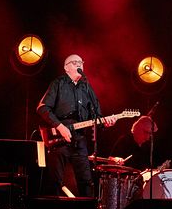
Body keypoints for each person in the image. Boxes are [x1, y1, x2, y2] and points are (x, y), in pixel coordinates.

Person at [36, 54, 116, 197]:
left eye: (81, 62)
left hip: (79, 140)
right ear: (66, 68)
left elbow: (96, 117)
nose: (79, 64)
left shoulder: (86, 87)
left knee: (86, 182)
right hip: (59, 139)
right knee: (55, 182)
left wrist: (105, 123)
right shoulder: (58, 83)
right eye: (75, 62)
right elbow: (42, 108)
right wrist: (60, 126)